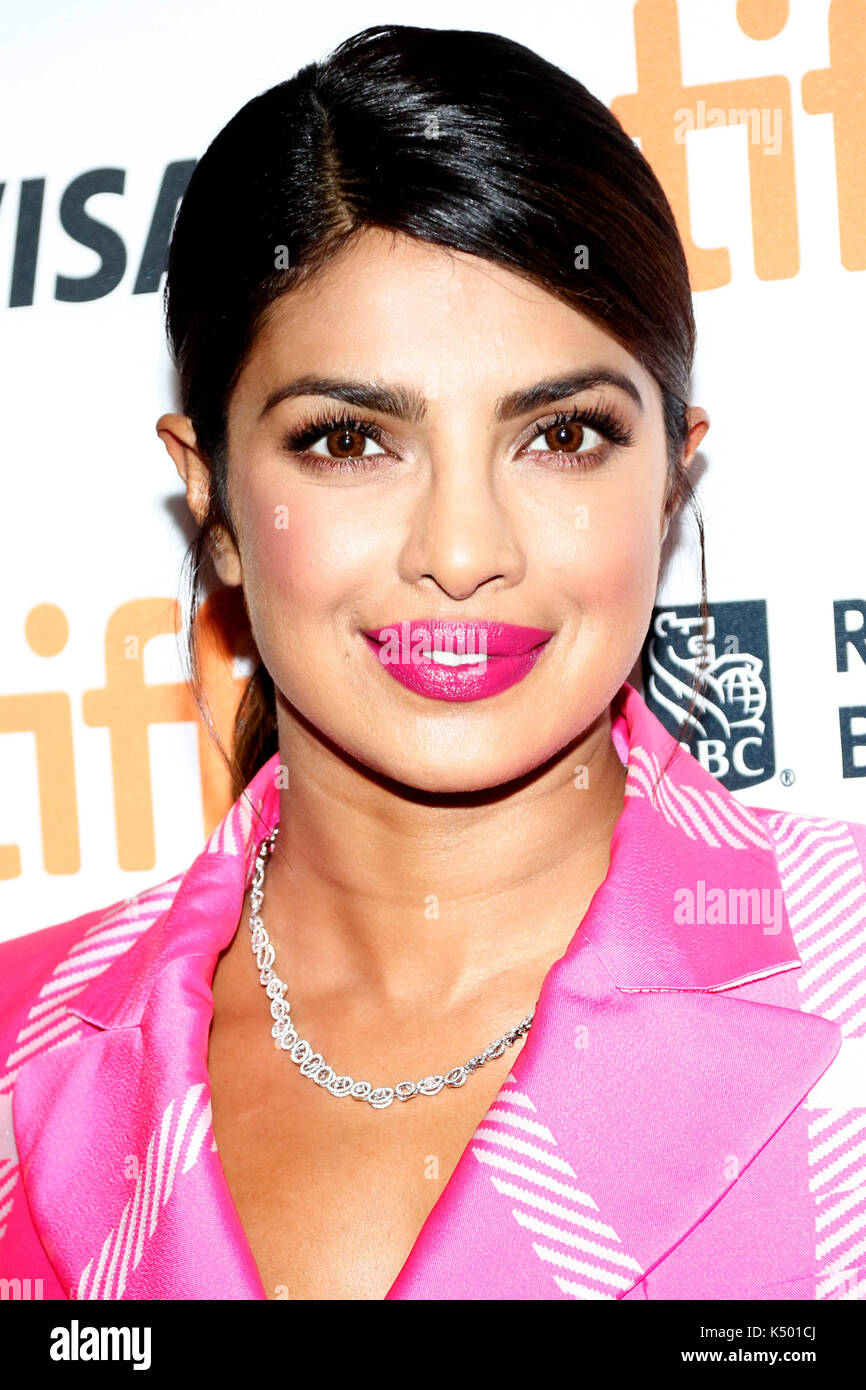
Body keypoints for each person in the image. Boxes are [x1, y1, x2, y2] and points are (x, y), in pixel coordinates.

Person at [1, 23, 864, 1302]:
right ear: (214, 498)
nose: (461, 550)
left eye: (562, 433)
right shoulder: (24, 1047)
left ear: (670, 473)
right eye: (348, 441)